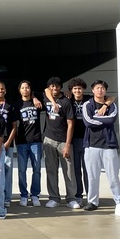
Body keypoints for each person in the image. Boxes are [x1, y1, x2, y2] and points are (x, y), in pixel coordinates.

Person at [81, 80, 120, 209]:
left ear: (105, 91)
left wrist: (97, 118)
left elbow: (111, 119)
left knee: (113, 176)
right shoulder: (87, 104)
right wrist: (102, 121)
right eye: (97, 88)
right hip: (91, 145)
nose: (100, 90)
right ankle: (93, 202)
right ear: (93, 90)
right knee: (92, 176)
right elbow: (88, 122)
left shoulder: (112, 106)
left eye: (102, 88)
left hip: (109, 145)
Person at [42, 77, 80, 209]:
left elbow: (71, 124)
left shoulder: (66, 101)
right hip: (49, 139)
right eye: (52, 86)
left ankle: (71, 198)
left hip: (64, 141)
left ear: (60, 87)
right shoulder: (47, 96)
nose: (54, 88)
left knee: (68, 171)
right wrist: (53, 103)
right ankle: (54, 198)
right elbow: (46, 90)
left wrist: (68, 145)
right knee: (51, 170)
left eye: (57, 86)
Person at [15, 80, 44, 207]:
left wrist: (35, 98)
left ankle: (35, 195)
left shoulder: (37, 102)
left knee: (37, 169)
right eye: (23, 88)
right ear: (19, 90)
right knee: (22, 170)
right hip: (22, 141)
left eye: (27, 88)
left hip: (36, 141)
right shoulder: (17, 104)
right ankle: (24, 195)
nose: (25, 90)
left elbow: (47, 92)